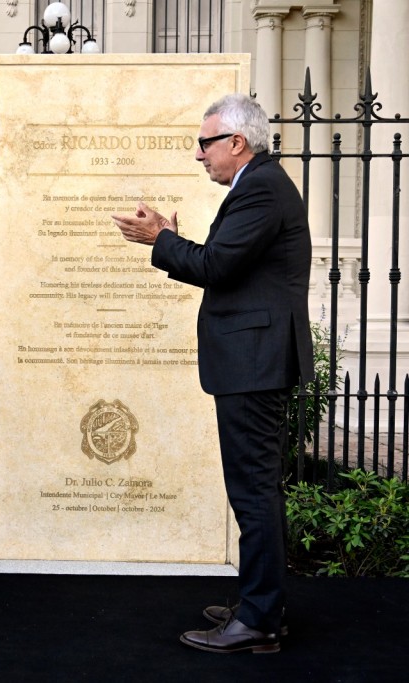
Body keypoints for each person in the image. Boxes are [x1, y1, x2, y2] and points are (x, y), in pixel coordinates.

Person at [111, 93, 312, 654]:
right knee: (254, 490)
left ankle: (259, 622)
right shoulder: (259, 187)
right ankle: (260, 606)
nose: (199, 155)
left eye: (205, 143)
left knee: (253, 493)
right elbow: (226, 266)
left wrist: (161, 240)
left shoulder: (262, 189)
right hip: (254, 361)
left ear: (237, 142)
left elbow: (216, 267)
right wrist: (173, 242)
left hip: (254, 363)